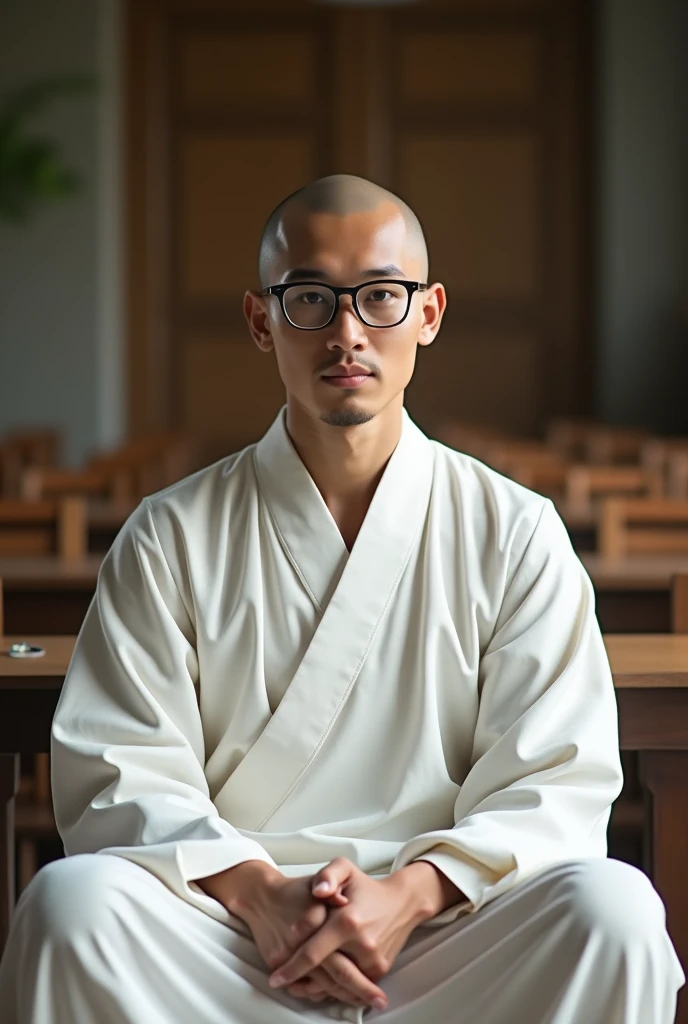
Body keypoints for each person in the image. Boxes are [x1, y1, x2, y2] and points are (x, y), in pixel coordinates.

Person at [0, 174, 683, 1024]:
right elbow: (119, 771)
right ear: (262, 320)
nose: (348, 333)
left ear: (429, 314)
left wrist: (408, 896)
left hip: (447, 934)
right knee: (69, 912)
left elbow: (555, 780)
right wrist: (260, 895)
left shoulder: (516, 532)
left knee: (614, 916)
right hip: (225, 935)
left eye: (381, 297)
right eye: (312, 299)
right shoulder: (168, 536)